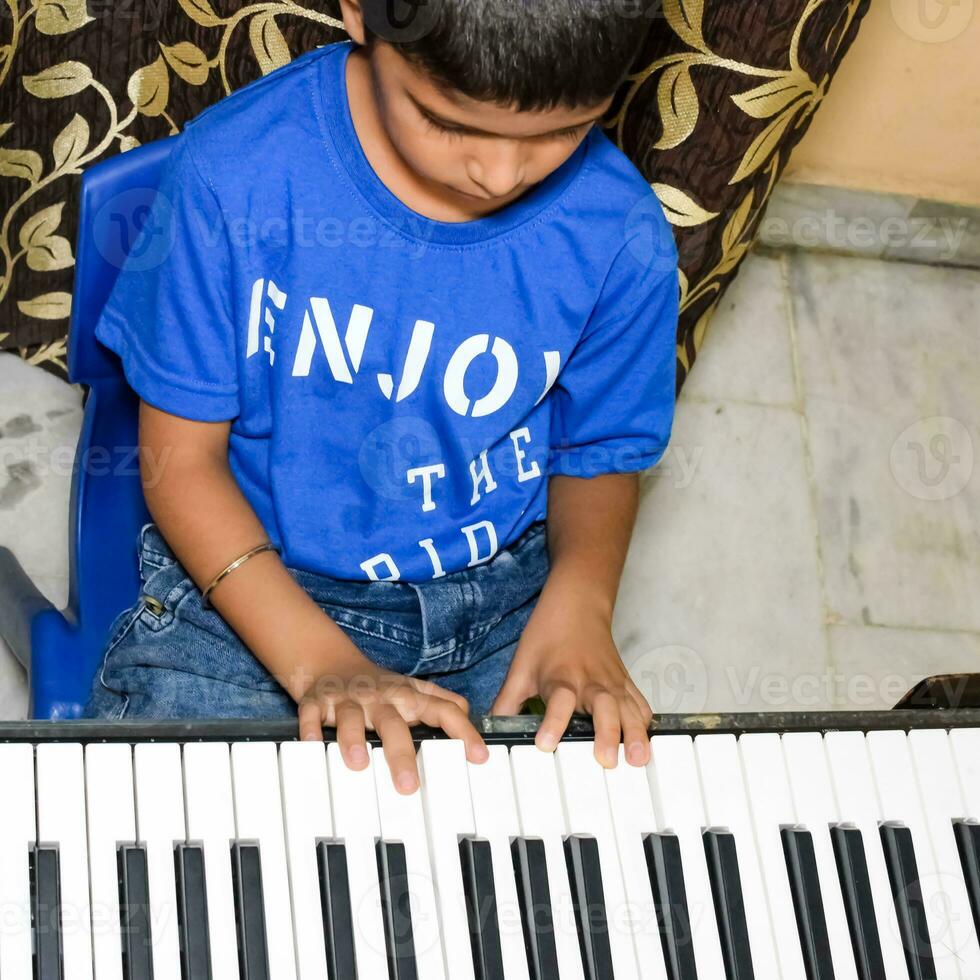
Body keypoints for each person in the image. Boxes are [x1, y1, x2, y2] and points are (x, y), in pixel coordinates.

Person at [82, 0, 680, 794]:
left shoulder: (622, 231)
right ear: (359, 13)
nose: (500, 175)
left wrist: (582, 601)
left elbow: (598, 451)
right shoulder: (232, 176)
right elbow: (181, 463)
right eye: (448, 121)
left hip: (500, 598)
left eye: (561, 132)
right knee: (171, 826)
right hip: (251, 587)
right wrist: (320, 660)